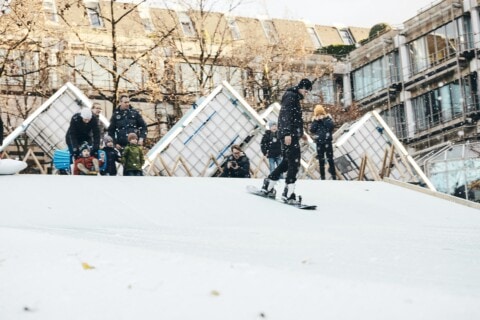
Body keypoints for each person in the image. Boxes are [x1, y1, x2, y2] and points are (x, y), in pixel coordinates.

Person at [260, 78, 312, 202]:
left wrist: (302, 133)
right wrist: (288, 133)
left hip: (292, 135)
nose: (307, 93)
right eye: (307, 91)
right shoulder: (291, 97)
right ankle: (288, 192)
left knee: (287, 162)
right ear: (302, 88)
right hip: (289, 136)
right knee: (294, 163)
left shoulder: (293, 97)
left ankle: (269, 185)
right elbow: (285, 116)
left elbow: (295, 119)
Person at [310, 104, 336, 180]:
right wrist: (315, 121)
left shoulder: (328, 119)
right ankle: (322, 177)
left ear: (323, 113)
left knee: (330, 159)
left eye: (320, 114)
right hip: (319, 143)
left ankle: (334, 176)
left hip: (327, 142)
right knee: (321, 160)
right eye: (318, 114)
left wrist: (324, 119)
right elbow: (312, 130)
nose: (319, 116)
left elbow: (331, 127)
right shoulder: (315, 122)